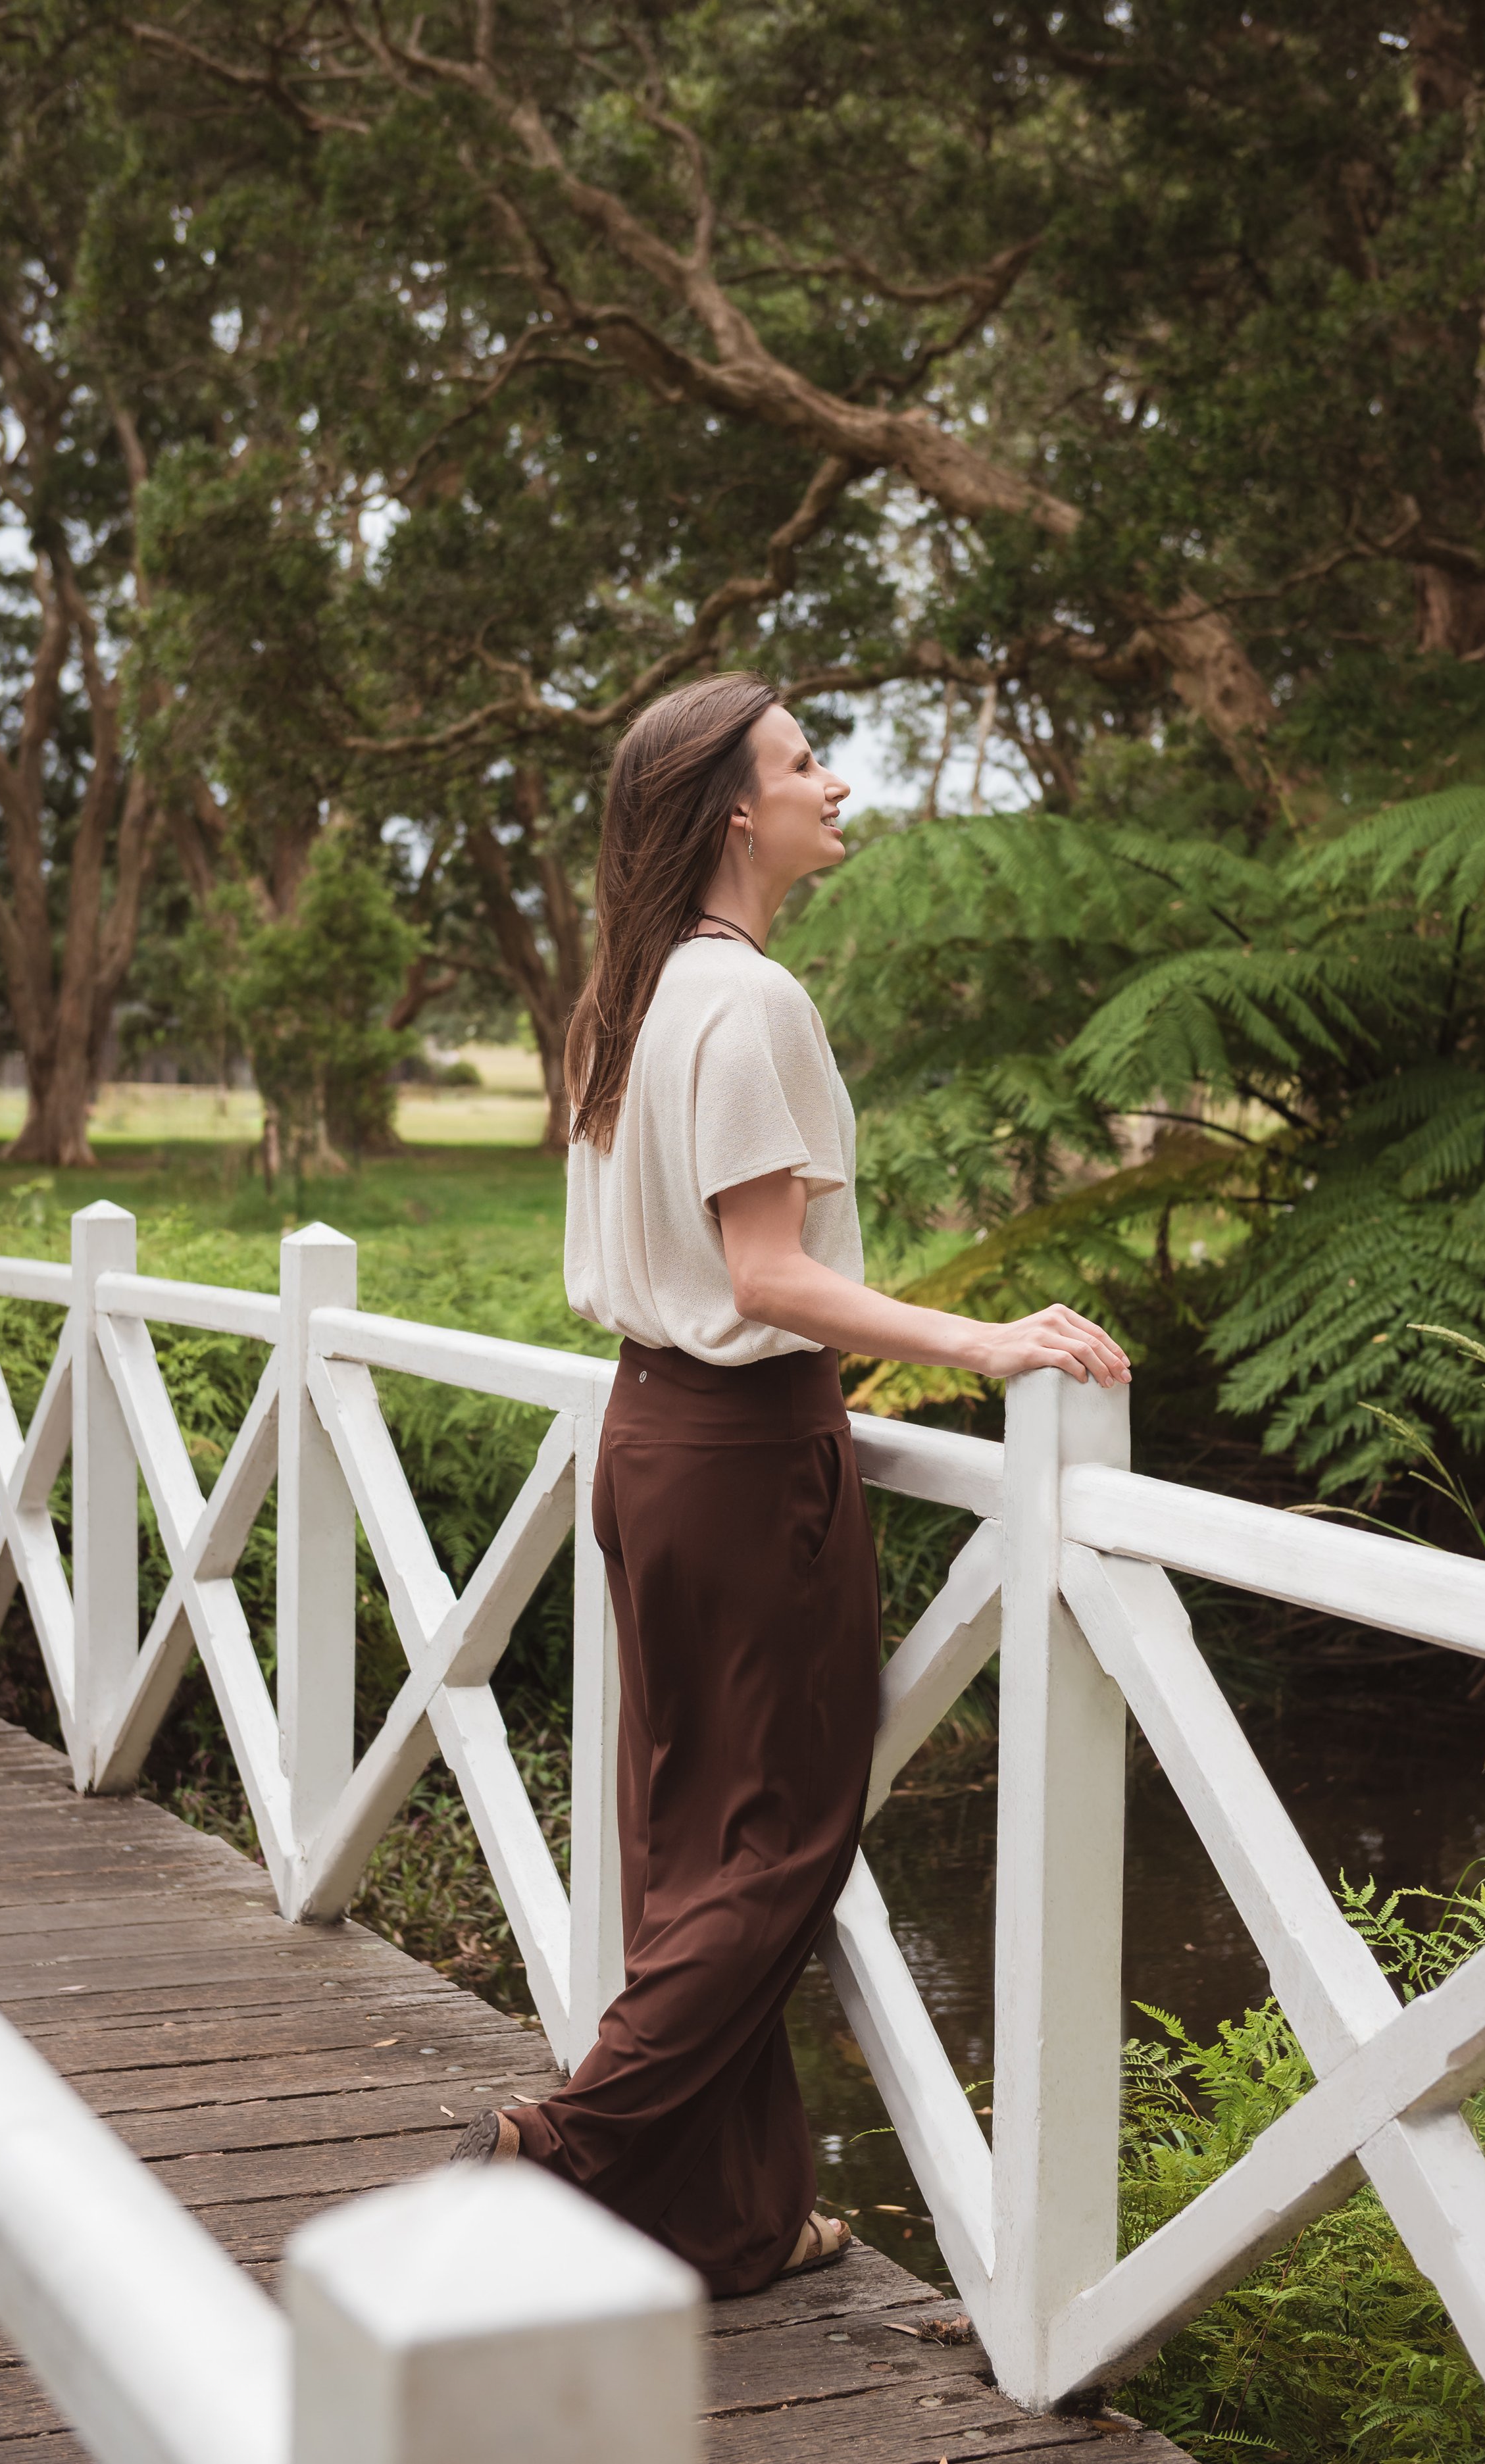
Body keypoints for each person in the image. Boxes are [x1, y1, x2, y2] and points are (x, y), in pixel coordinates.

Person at [453, 672, 1130, 2294]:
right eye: (805, 760)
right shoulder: (749, 1004)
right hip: (748, 1456)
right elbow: (764, 1273)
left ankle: (734, 2222)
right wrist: (985, 1339)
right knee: (785, 1842)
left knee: (699, 1838)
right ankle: (566, 2141)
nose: (836, 782)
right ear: (732, 811)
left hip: (645, 1441)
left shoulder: (630, 993)